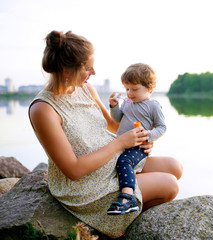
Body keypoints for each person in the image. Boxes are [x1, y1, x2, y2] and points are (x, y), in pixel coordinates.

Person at [28, 30, 182, 238]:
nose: (94, 71)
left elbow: (113, 125)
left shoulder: (85, 88)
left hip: (111, 161)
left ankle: (127, 207)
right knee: (170, 185)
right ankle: (117, 224)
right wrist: (120, 144)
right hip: (86, 186)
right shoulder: (43, 110)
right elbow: (73, 170)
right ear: (65, 69)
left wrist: (141, 137)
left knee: (175, 167)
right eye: (87, 67)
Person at [107, 63, 166, 215]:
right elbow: (118, 119)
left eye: (134, 89)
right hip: (122, 142)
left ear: (149, 88)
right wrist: (114, 106)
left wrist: (148, 136)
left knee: (124, 161)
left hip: (138, 147)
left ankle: (127, 197)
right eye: (127, 89)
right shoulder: (127, 103)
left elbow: (162, 127)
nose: (129, 93)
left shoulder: (153, 106)